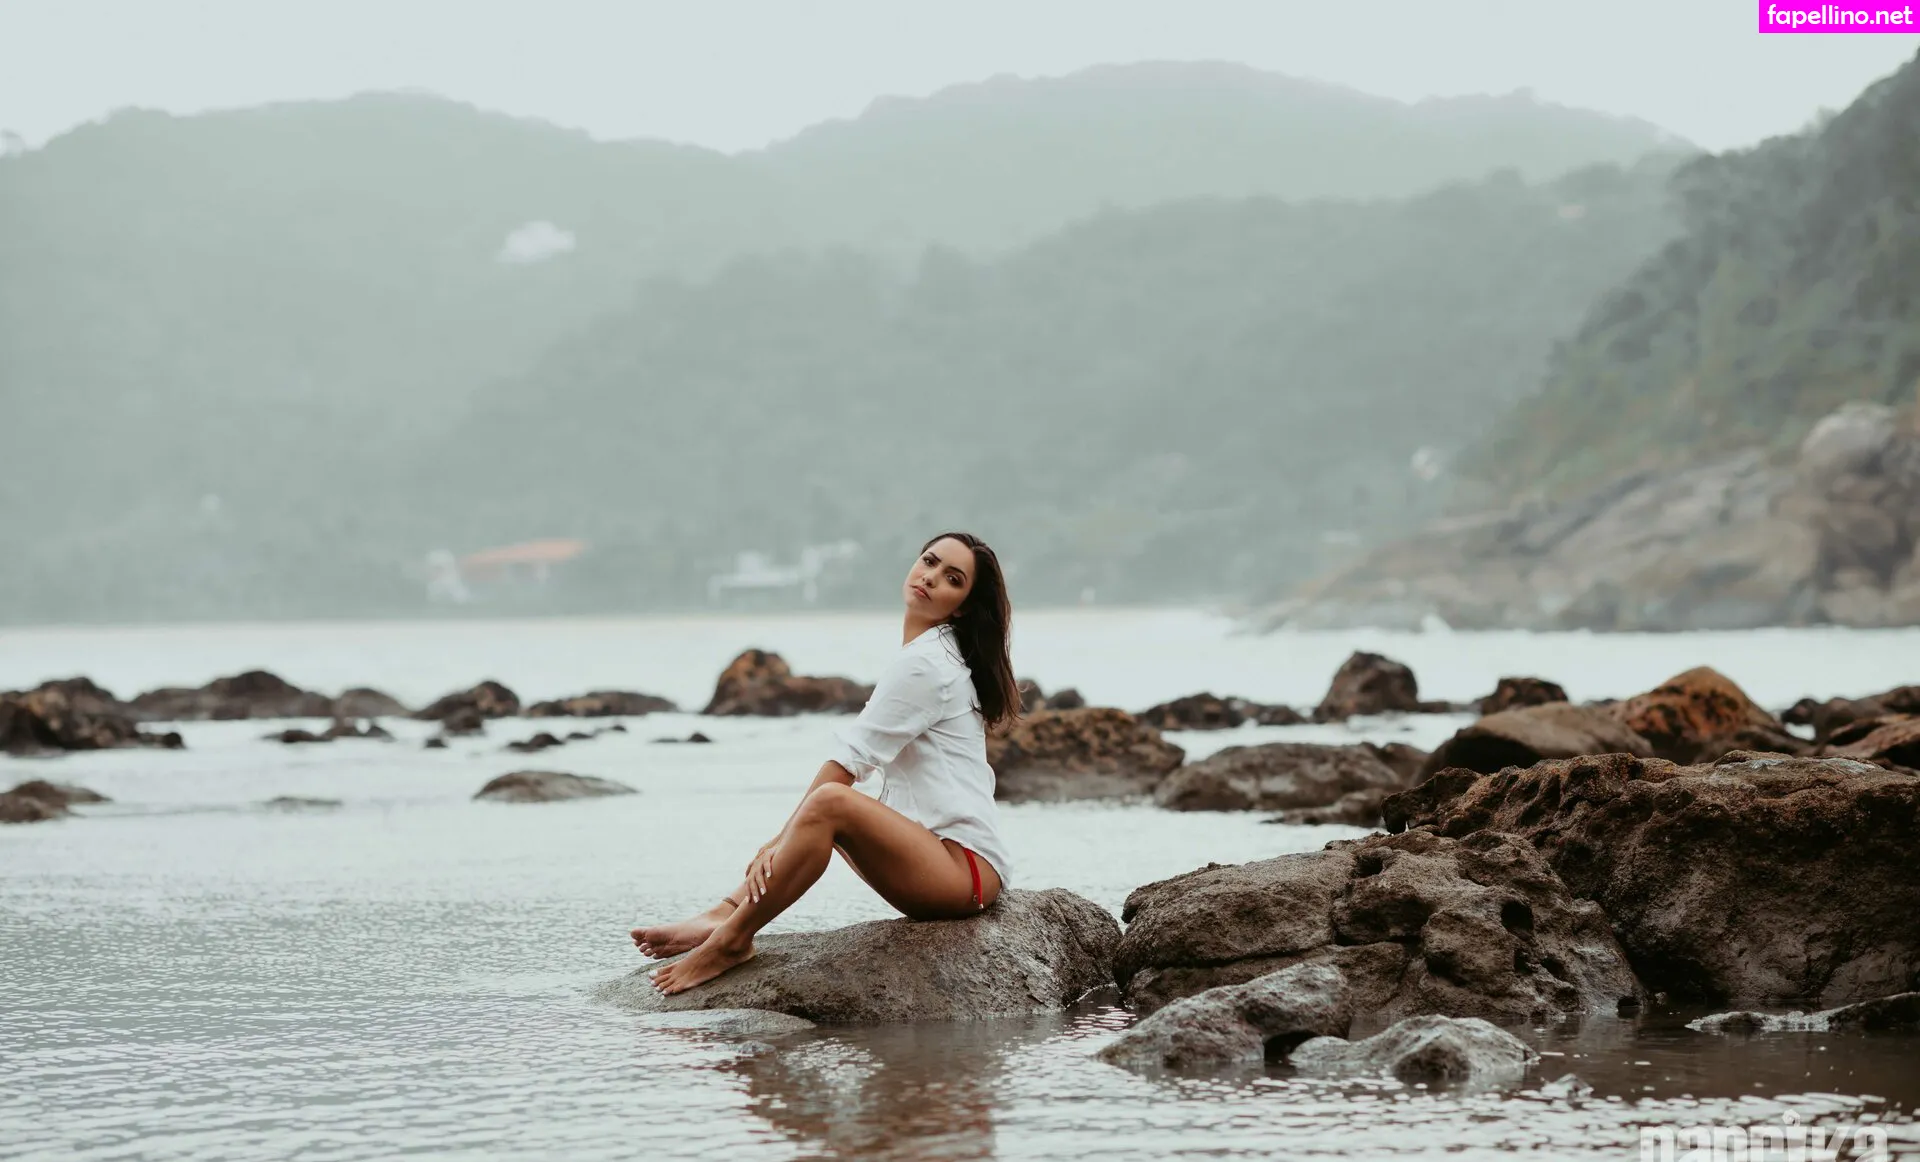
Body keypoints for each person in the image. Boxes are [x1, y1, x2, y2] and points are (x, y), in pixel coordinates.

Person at [633, 531, 1020, 995]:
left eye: (953, 579)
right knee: (822, 814)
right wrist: (787, 838)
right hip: (949, 865)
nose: (931, 577)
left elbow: (851, 759)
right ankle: (726, 913)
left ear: (961, 607)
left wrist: (780, 839)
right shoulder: (933, 654)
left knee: (829, 804)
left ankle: (731, 941)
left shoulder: (927, 664)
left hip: (963, 872)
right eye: (929, 561)